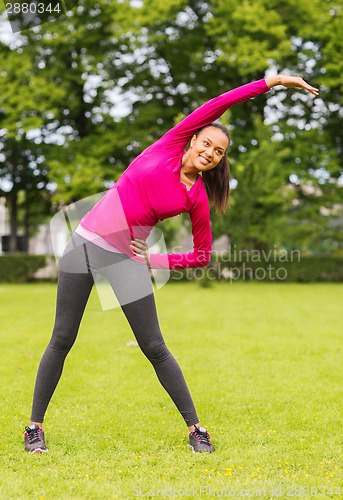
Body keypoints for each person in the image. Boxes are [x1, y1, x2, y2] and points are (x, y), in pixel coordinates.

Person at [24, 74, 318, 454]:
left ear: (219, 161)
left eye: (219, 152)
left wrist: (156, 259)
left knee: (154, 346)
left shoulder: (196, 197)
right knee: (62, 338)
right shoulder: (168, 145)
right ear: (194, 138)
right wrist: (272, 82)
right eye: (207, 143)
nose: (211, 152)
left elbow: (202, 256)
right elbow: (219, 102)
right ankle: (34, 428)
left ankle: (197, 430)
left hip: (128, 260)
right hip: (84, 246)